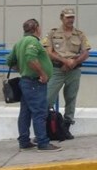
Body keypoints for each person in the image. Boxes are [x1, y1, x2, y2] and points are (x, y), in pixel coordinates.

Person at [5, 19, 60, 152]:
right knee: (39, 112)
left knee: (25, 112)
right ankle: (43, 143)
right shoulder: (32, 42)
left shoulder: (19, 43)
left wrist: (22, 69)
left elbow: (9, 61)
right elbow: (30, 58)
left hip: (25, 82)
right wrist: (42, 74)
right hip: (35, 83)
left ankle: (24, 141)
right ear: (36, 28)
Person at [44, 7, 91, 139]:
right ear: (62, 18)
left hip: (73, 71)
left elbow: (86, 53)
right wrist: (65, 61)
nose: (71, 20)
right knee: (48, 98)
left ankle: (66, 127)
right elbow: (48, 52)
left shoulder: (80, 34)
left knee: (71, 98)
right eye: (68, 17)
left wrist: (73, 63)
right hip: (57, 70)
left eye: (72, 17)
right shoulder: (53, 33)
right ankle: (46, 129)